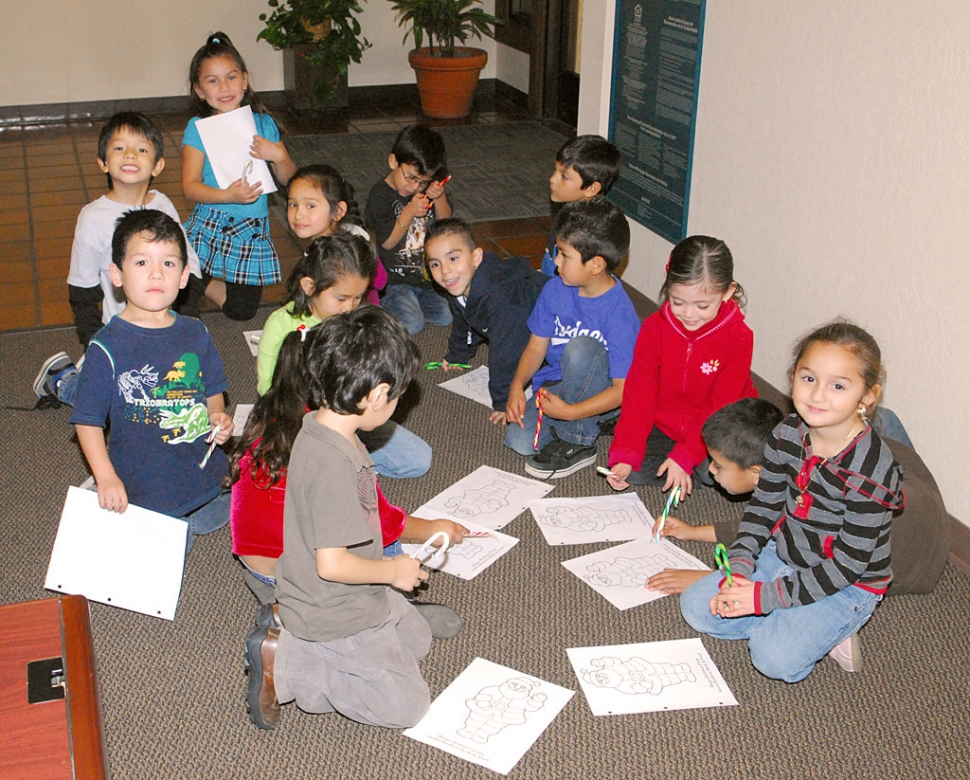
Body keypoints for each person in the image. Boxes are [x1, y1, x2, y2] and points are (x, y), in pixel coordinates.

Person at [244, 307, 444, 730]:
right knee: (408, 708)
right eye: (397, 396)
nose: (397, 404)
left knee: (418, 641)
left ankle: (308, 637)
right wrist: (391, 571)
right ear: (375, 396)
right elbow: (331, 565)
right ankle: (292, 665)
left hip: (344, 592)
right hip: (331, 608)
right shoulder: (333, 466)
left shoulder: (318, 423)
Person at [680, 321, 906, 682]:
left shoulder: (870, 471)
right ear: (792, 377)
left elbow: (849, 565)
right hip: (784, 555)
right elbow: (764, 507)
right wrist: (741, 567)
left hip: (847, 583)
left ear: (867, 396)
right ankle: (792, 617)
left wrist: (763, 598)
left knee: (772, 660)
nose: (817, 396)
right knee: (696, 608)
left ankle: (828, 626)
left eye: (838, 385)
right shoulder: (787, 433)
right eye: (809, 378)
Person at [232, 323, 466, 623]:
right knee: (379, 549)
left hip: (255, 560)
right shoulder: (340, 455)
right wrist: (433, 529)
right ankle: (330, 608)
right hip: (301, 574)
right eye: (397, 397)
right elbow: (380, 522)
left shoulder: (275, 411)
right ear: (376, 394)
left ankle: (280, 594)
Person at [648, 399, 951, 600]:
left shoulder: (811, 505)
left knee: (797, 555)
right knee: (877, 425)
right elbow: (755, 523)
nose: (710, 471)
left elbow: (806, 569)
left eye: (718, 466)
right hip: (917, 487)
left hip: (910, 563)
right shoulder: (797, 454)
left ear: (757, 474)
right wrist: (690, 531)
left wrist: (711, 578)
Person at [69, 210, 233, 551]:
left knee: (220, 512)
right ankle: (104, 485)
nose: (157, 273)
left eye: (169, 264)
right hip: (144, 476)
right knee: (172, 548)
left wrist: (216, 414)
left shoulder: (195, 332)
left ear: (185, 276)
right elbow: (87, 421)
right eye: (142, 263)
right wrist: (106, 476)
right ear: (116, 274)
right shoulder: (106, 346)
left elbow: (213, 390)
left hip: (198, 465)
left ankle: (190, 505)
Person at [34, 112, 203, 407]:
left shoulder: (163, 205)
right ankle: (63, 378)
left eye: (141, 149)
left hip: (165, 330)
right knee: (115, 405)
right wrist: (97, 344)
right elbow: (82, 291)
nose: (130, 155)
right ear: (102, 162)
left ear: (158, 165)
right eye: (119, 148)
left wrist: (184, 327)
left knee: (179, 398)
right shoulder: (92, 218)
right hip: (118, 336)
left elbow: (190, 269)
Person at [255, 234, 431, 478]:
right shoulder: (281, 325)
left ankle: (344, 462)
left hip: (352, 417)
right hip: (297, 421)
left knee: (418, 459)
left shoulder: (355, 322)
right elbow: (267, 388)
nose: (350, 307)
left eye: (358, 298)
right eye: (341, 298)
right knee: (294, 472)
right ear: (309, 287)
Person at [607, 236, 757, 496]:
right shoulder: (654, 328)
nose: (688, 314)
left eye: (702, 306)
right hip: (666, 426)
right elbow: (638, 394)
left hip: (719, 427)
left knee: (718, 473)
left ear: (728, 292)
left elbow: (721, 406)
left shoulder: (739, 336)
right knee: (636, 468)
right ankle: (682, 465)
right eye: (678, 302)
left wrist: (687, 454)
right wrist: (626, 452)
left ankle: (689, 467)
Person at [504, 199, 640, 479]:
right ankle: (588, 418)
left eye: (564, 255)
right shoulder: (555, 289)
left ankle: (578, 440)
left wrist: (571, 413)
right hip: (559, 384)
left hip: (607, 389)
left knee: (580, 349)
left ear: (596, 265)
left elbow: (624, 389)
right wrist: (518, 385)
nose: (555, 261)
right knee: (519, 442)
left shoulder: (620, 313)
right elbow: (536, 346)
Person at [182, 32, 296, 321]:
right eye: (212, 80)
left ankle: (208, 284)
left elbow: (289, 181)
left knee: (242, 311)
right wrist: (226, 196)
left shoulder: (264, 123)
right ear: (199, 90)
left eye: (231, 77)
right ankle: (200, 281)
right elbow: (189, 187)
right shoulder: (198, 128)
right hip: (210, 222)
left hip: (251, 229)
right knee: (181, 305)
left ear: (245, 81)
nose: (224, 87)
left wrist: (280, 156)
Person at [425, 217, 549, 421]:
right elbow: (463, 320)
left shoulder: (500, 297)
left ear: (476, 257)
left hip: (558, 326)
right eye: (435, 264)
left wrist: (503, 400)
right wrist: (458, 354)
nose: (445, 271)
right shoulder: (459, 283)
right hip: (519, 324)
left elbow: (506, 351)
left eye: (453, 258)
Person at [364, 124, 453, 334]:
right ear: (394, 161)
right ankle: (378, 305)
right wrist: (410, 211)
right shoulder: (380, 195)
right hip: (393, 282)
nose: (414, 187)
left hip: (425, 281)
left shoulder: (427, 191)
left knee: (447, 315)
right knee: (413, 325)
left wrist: (439, 196)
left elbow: (444, 223)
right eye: (410, 177)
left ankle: (411, 306)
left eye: (422, 182)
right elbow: (387, 242)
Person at [285, 164, 387, 306]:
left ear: (338, 211)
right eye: (293, 204)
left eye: (310, 206)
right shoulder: (319, 244)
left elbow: (380, 279)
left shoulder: (351, 248)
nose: (298, 214)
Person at [542, 135, 620, 276]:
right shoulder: (568, 211)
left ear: (591, 188)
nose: (552, 179)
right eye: (555, 170)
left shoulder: (593, 234)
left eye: (564, 177)